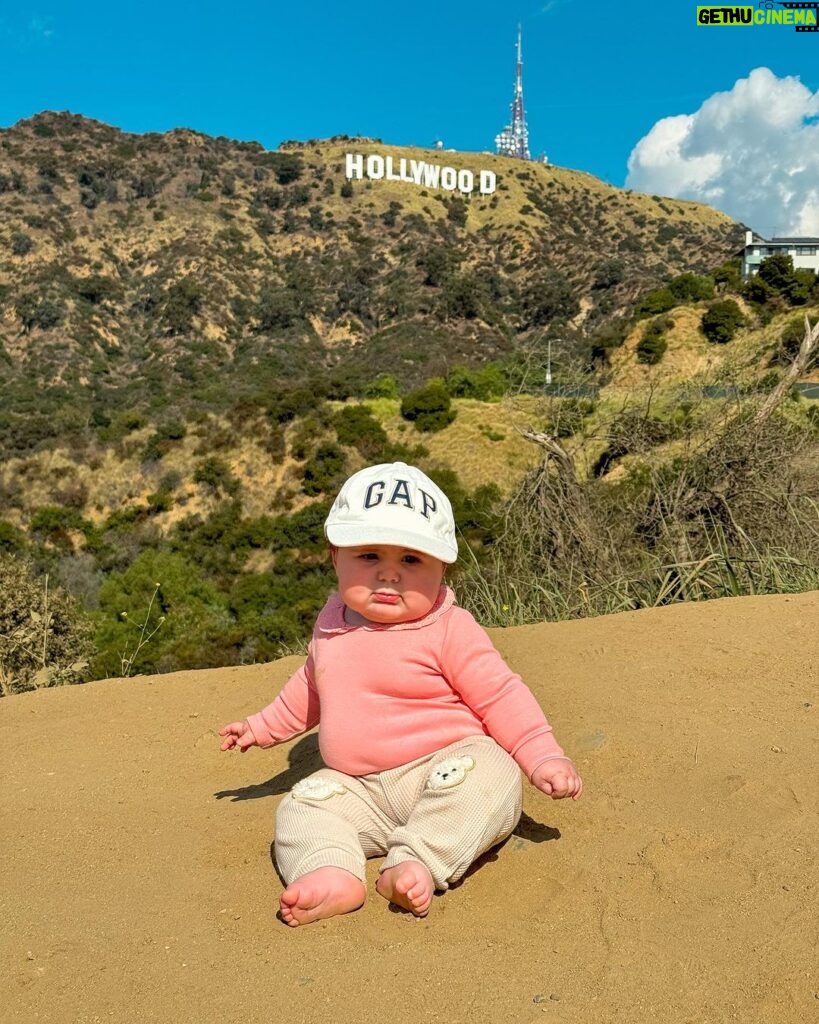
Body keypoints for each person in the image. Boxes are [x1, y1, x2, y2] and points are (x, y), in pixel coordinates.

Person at [220, 462, 582, 927]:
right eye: (369, 556)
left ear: (442, 567)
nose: (388, 575)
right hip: (359, 789)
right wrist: (261, 728)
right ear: (335, 557)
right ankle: (331, 872)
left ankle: (417, 860)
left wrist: (542, 756)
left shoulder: (449, 628)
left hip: (446, 768)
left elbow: (500, 696)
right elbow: (311, 687)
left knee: (495, 775)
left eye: (411, 560)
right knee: (302, 805)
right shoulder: (332, 623)